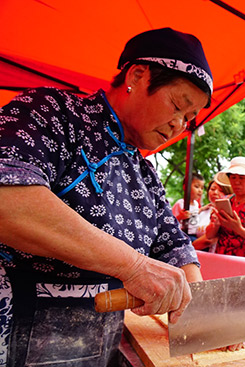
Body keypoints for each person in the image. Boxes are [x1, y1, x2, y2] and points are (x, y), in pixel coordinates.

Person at [0, 28, 211, 365]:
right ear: (138, 76)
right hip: (13, 333)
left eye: (188, 118)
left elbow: (174, 247)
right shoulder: (53, 112)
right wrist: (135, 266)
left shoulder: (143, 172)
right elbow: (7, 199)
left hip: (97, 348)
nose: (178, 125)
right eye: (178, 105)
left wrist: (199, 310)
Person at [192, 173, 233, 252]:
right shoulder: (203, 211)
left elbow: (208, 240)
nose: (215, 193)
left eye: (221, 191)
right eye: (212, 189)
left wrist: (188, 249)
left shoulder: (226, 213)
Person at [172, 172, 205, 241]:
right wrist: (180, 216)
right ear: (185, 187)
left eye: (202, 188)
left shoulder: (196, 204)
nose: (200, 190)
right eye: (196, 187)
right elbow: (171, 221)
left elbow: (195, 212)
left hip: (195, 234)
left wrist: (204, 208)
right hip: (183, 234)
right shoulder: (180, 203)